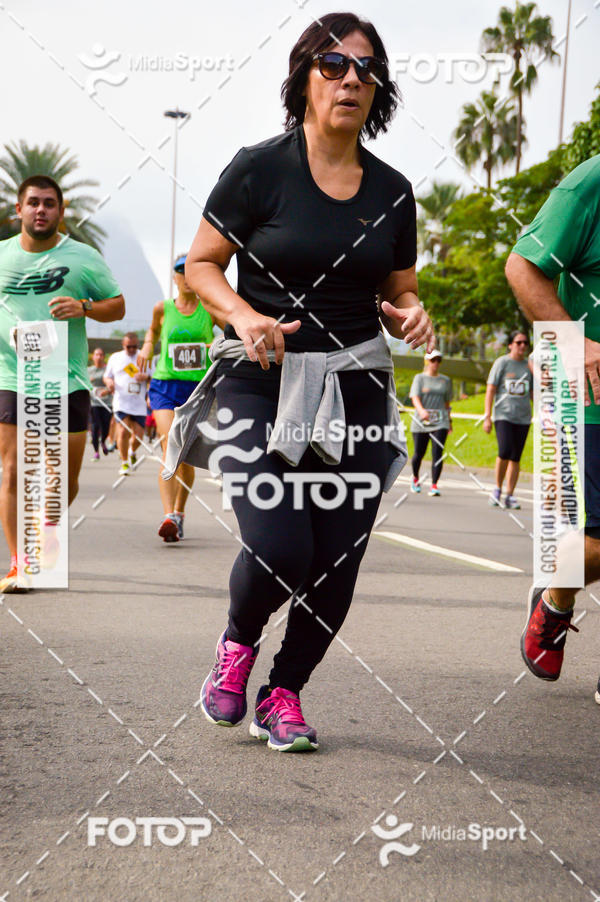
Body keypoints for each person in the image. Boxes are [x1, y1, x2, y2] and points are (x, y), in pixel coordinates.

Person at [172, 12, 434, 751]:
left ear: (377, 89)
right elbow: (199, 264)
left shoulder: (392, 189)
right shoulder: (260, 168)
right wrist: (240, 314)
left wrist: (411, 315)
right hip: (264, 380)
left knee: (338, 559)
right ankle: (236, 643)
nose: (351, 77)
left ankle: (282, 693)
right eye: (332, 64)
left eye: (366, 68)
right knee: (281, 544)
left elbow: (402, 288)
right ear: (303, 78)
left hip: (355, 388)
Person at [0, 175, 124, 592]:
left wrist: (84, 306)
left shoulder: (82, 257)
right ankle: (21, 562)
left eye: (49, 203)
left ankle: (48, 528)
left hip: (64, 377)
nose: (40, 210)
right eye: (33, 202)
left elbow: (118, 306)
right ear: (18, 209)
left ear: (61, 210)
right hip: (12, 375)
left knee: (62, 477)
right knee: (13, 470)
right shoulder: (1, 257)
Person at [505, 152, 600, 682]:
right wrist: (576, 341)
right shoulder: (591, 182)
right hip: (590, 397)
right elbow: (522, 266)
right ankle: (556, 599)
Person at [137, 254, 214, 542]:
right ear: (175, 277)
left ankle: (179, 513)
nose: (186, 276)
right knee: (171, 443)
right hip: (165, 385)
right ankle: (168, 514)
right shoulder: (163, 308)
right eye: (181, 271)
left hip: (195, 389)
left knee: (187, 454)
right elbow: (154, 330)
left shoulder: (209, 309)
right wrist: (147, 346)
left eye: (191, 270)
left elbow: (228, 333)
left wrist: (215, 345)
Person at [483, 330, 532, 509]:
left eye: (525, 343)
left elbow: (534, 392)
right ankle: (497, 488)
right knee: (504, 451)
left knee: (516, 457)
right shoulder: (502, 363)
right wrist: (487, 416)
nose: (522, 346)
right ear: (510, 345)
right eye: (518, 342)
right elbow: (491, 389)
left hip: (524, 417)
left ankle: (510, 494)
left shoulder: (529, 366)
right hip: (503, 415)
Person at [103, 333, 151, 476]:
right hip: (121, 401)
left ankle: (132, 451)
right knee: (123, 431)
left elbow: (155, 377)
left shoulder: (144, 358)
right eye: (128, 346)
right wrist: (109, 382)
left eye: (134, 347)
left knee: (138, 437)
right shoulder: (115, 358)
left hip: (139, 403)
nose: (131, 349)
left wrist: (146, 377)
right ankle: (124, 463)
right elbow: (107, 376)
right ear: (123, 345)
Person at [409, 349, 452, 496]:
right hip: (421, 422)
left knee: (437, 453)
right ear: (427, 361)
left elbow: (447, 403)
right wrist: (421, 411)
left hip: (440, 421)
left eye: (439, 360)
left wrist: (449, 421)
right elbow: (415, 397)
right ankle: (415, 478)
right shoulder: (419, 378)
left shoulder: (445, 380)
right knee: (418, 453)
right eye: (433, 360)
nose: (436, 363)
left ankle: (434, 484)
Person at [87, 346, 112, 460]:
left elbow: (112, 384)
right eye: (97, 354)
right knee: (95, 426)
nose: (99, 357)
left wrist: (106, 391)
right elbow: (83, 384)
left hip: (107, 402)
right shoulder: (88, 370)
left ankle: (103, 441)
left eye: (101, 355)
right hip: (94, 403)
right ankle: (96, 451)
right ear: (93, 357)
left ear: (104, 357)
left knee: (106, 425)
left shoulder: (107, 370)